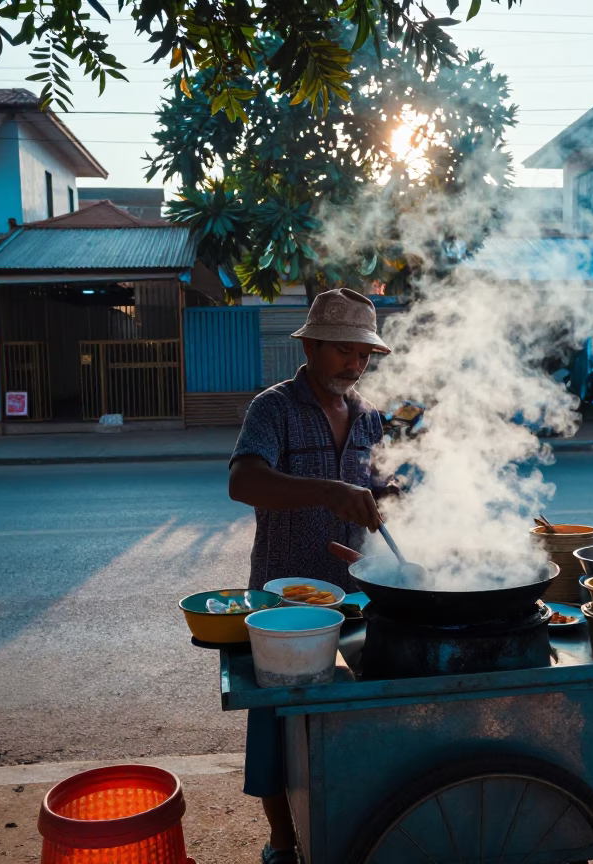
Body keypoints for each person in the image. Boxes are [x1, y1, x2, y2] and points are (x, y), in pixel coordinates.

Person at [228, 287, 397, 864]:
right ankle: (283, 841)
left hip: (351, 594)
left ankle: (339, 826)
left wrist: (390, 497)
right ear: (313, 346)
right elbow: (244, 482)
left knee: (343, 719)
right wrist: (330, 492)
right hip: (282, 596)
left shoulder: (368, 417)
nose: (356, 364)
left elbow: (372, 491)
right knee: (276, 725)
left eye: (364, 355)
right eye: (345, 352)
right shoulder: (272, 408)